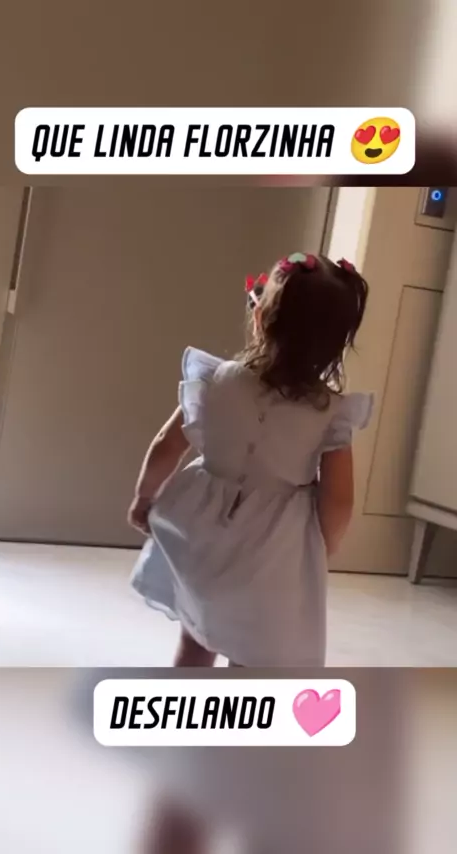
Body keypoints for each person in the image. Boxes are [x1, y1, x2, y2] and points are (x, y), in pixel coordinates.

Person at [128, 251, 373, 668]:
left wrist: (144, 498)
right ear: (336, 344)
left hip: (203, 533)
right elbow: (339, 498)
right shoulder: (331, 413)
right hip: (273, 551)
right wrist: (323, 545)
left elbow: (167, 444)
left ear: (259, 318)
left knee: (196, 639)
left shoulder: (214, 380)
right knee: (254, 654)